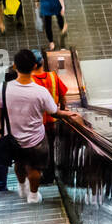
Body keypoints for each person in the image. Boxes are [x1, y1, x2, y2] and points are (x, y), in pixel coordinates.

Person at [0, 48, 60, 203]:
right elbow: (54, 111)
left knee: (19, 163)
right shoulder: (41, 91)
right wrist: (68, 114)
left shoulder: (3, 88)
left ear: (15, 66)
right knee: (34, 168)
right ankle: (33, 196)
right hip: (36, 139)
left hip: (14, 137)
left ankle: (22, 187)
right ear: (34, 66)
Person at [31, 49, 69, 188]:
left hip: (36, 125)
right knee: (52, 149)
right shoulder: (53, 76)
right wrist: (64, 111)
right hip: (53, 122)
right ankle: (51, 175)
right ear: (42, 62)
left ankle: (42, 176)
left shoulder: (29, 81)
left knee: (38, 152)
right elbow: (63, 97)